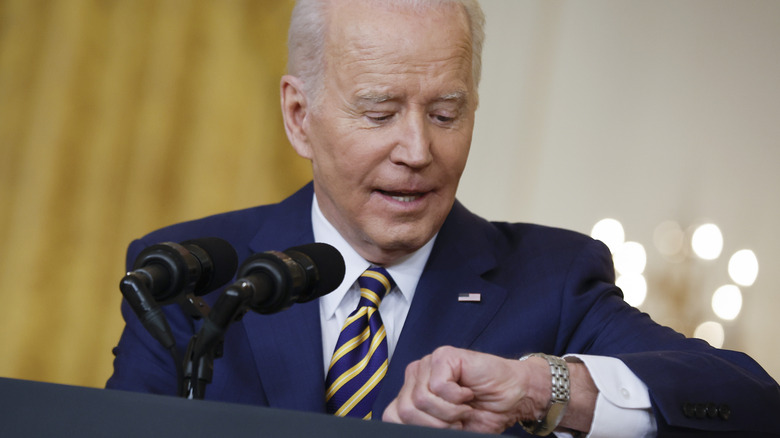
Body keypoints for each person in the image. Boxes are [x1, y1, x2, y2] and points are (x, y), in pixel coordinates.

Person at [107, 0, 780, 436]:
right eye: (379, 113)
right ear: (298, 116)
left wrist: (538, 388)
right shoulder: (190, 274)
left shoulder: (551, 281)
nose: (417, 152)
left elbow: (751, 402)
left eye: (445, 114)